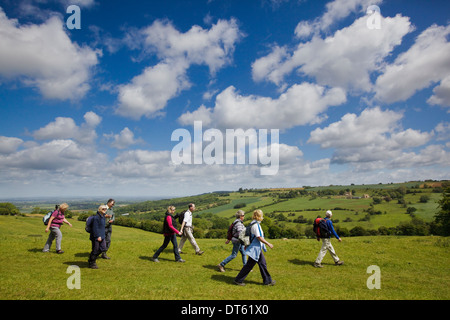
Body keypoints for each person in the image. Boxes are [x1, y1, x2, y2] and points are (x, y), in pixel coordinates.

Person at [234, 209, 275, 286]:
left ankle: (267, 281)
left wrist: (246, 245)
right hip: (255, 249)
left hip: (255, 248)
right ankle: (238, 280)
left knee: (261, 264)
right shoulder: (256, 225)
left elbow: (248, 235)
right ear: (259, 216)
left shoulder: (252, 223)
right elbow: (258, 237)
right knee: (252, 265)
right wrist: (268, 243)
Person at [88, 205, 108, 269]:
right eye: (103, 209)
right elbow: (95, 228)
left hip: (102, 236)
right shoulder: (96, 217)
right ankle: (92, 262)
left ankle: (91, 258)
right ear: (100, 209)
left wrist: (103, 235)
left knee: (104, 248)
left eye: (105, 209)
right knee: (95, 250)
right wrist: (98, 236)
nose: (104, 210)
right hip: (96, 236)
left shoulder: (103, 217)